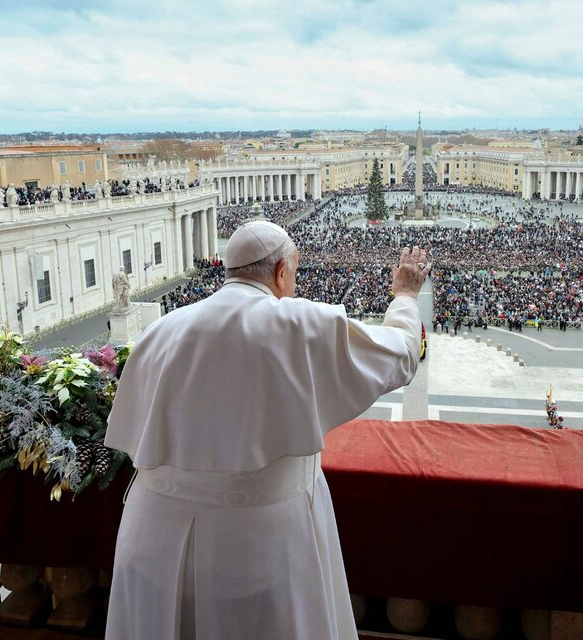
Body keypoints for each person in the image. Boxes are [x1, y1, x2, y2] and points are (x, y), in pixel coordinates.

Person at [104, 220, 429, 640]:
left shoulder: (159, 331)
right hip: (256, 545)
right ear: (280, 272)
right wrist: (404, 295)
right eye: (293, 272)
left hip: (151, 540)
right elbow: (402, 354)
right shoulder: (299, 322)